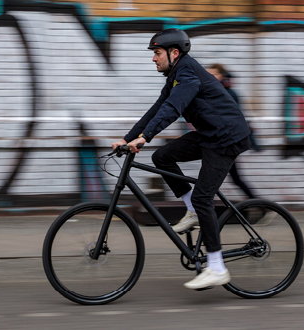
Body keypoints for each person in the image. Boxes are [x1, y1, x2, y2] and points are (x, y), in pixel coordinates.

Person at [111, 29, 251, 289]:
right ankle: (193, 211)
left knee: (203, 197)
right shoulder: (176, 75)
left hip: (226, 138)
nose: (154, 58)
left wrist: (146, 137)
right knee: (163, 157)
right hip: (210, 135)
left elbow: (173, 108)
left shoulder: (187, 73)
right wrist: (128, 137)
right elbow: (156, 108)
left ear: (174, 53)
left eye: (156, 53)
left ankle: (217, 267)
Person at [206, 63, 259, 199]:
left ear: (222, 76)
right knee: (233, 178)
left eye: (214, 74)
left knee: (223, 178)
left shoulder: (227, 93)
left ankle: (260, 205)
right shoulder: (216, 91)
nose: (210, 76)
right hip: (222, 142)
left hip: (227, 142)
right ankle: (260, 205)